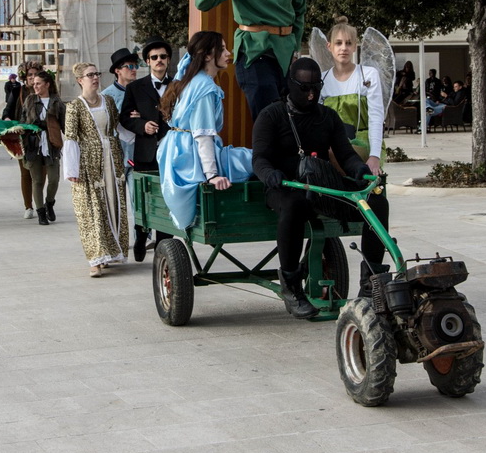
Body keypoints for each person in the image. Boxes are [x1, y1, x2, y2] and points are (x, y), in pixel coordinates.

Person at [252, 57, 390, 319]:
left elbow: (346, 155)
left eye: (316, 87)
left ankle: (371, 283)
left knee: (377, 200)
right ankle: (291, 287)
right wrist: (270, 174)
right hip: (285, 187)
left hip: (322, 185)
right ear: (291, 85)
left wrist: (361, 172)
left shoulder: (328, 116)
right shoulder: (271, 115)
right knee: (294, 205)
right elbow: (259, 158)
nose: (311, 94)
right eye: (304, 88)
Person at [157, 31, 253, 230]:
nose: (229, 53)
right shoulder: (204, 88)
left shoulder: (192, 80)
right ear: (208, 55)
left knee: (248, 157)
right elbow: (202, 136)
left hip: (177, 152)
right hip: (190, 157)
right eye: (223, 48)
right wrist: (212, 176)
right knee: (254, 159)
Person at [64, 62, 128, 277]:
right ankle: (95, 259)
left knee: (112, 204)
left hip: (112, 158)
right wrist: (71, 170)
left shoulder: (108, 101)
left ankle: (110, 252)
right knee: (92, 209)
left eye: (96, 74)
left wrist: (140, 131)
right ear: (80, 80)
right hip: (88, 164)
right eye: (90, 75)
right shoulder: (74, 106)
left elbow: (118, 128)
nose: (95, 78)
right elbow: (71, 139)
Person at [120, 37, 174, 261]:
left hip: (173, 153)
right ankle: (141, 235)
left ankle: (164, 246)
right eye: (154, 57)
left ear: (168, 60)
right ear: (148, 62)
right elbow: (124, 117)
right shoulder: (135, 88)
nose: (159, 60)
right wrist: (142, 125)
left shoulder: (179, 84)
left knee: (168, 199)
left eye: (162, 57)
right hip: (146, 153)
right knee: (145, 199)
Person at [319, 18, 385, 176]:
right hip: (330, 145)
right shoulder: (322, 80)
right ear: (329, 46)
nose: (344, 48)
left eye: (349, 43)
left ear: (355, 46)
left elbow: (376, 117)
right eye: (338, 43)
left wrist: (374, 156)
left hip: (362, 143)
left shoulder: (369, 74)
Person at [21, 71, 66, 226]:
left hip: (51, 145)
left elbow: (65, 125)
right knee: (37, 180)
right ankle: (41, 212)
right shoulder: (30, 100)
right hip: (33, 145)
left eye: (38, 83)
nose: (35, 86)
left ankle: (49, 203)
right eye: (34, 83)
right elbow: (23, 120)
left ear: (47, 84)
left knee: (54, 179)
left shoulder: (56, 102)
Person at [3, 60, 43, 218]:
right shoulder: (18, 91)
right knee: (26, 172)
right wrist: (6, 119)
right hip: (22, 136)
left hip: (42, 136)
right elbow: (8, 109)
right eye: (30, 75)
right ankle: (29, 206)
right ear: (24, 77)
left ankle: (41, 202)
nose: (33, 78)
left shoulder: (46, 89)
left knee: (41, 173)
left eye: (35, 74)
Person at [101, 48, 138, 182]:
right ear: (118, 71)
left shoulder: (140, 90)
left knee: (136, 196)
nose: (134, 69)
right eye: (129, 66)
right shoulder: (106, 95)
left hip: (136, 151)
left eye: (135, 66)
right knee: (117, 197)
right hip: (116, 151)